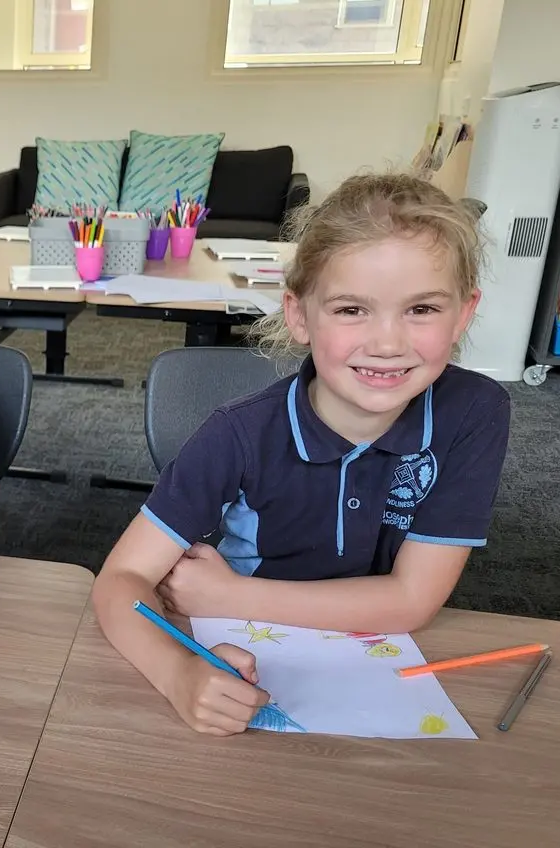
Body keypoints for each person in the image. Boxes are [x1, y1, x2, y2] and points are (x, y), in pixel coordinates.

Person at [93, 173, 511, 736]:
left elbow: (414, 603)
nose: (388, 343)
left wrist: (232, 594)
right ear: (298, 315)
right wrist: (177, 675)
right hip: (246, 656)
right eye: (350, 310)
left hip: (369, 661)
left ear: (463, 313)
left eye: (422, 310)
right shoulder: (239, 433)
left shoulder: (474, 411)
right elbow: (120, 579)